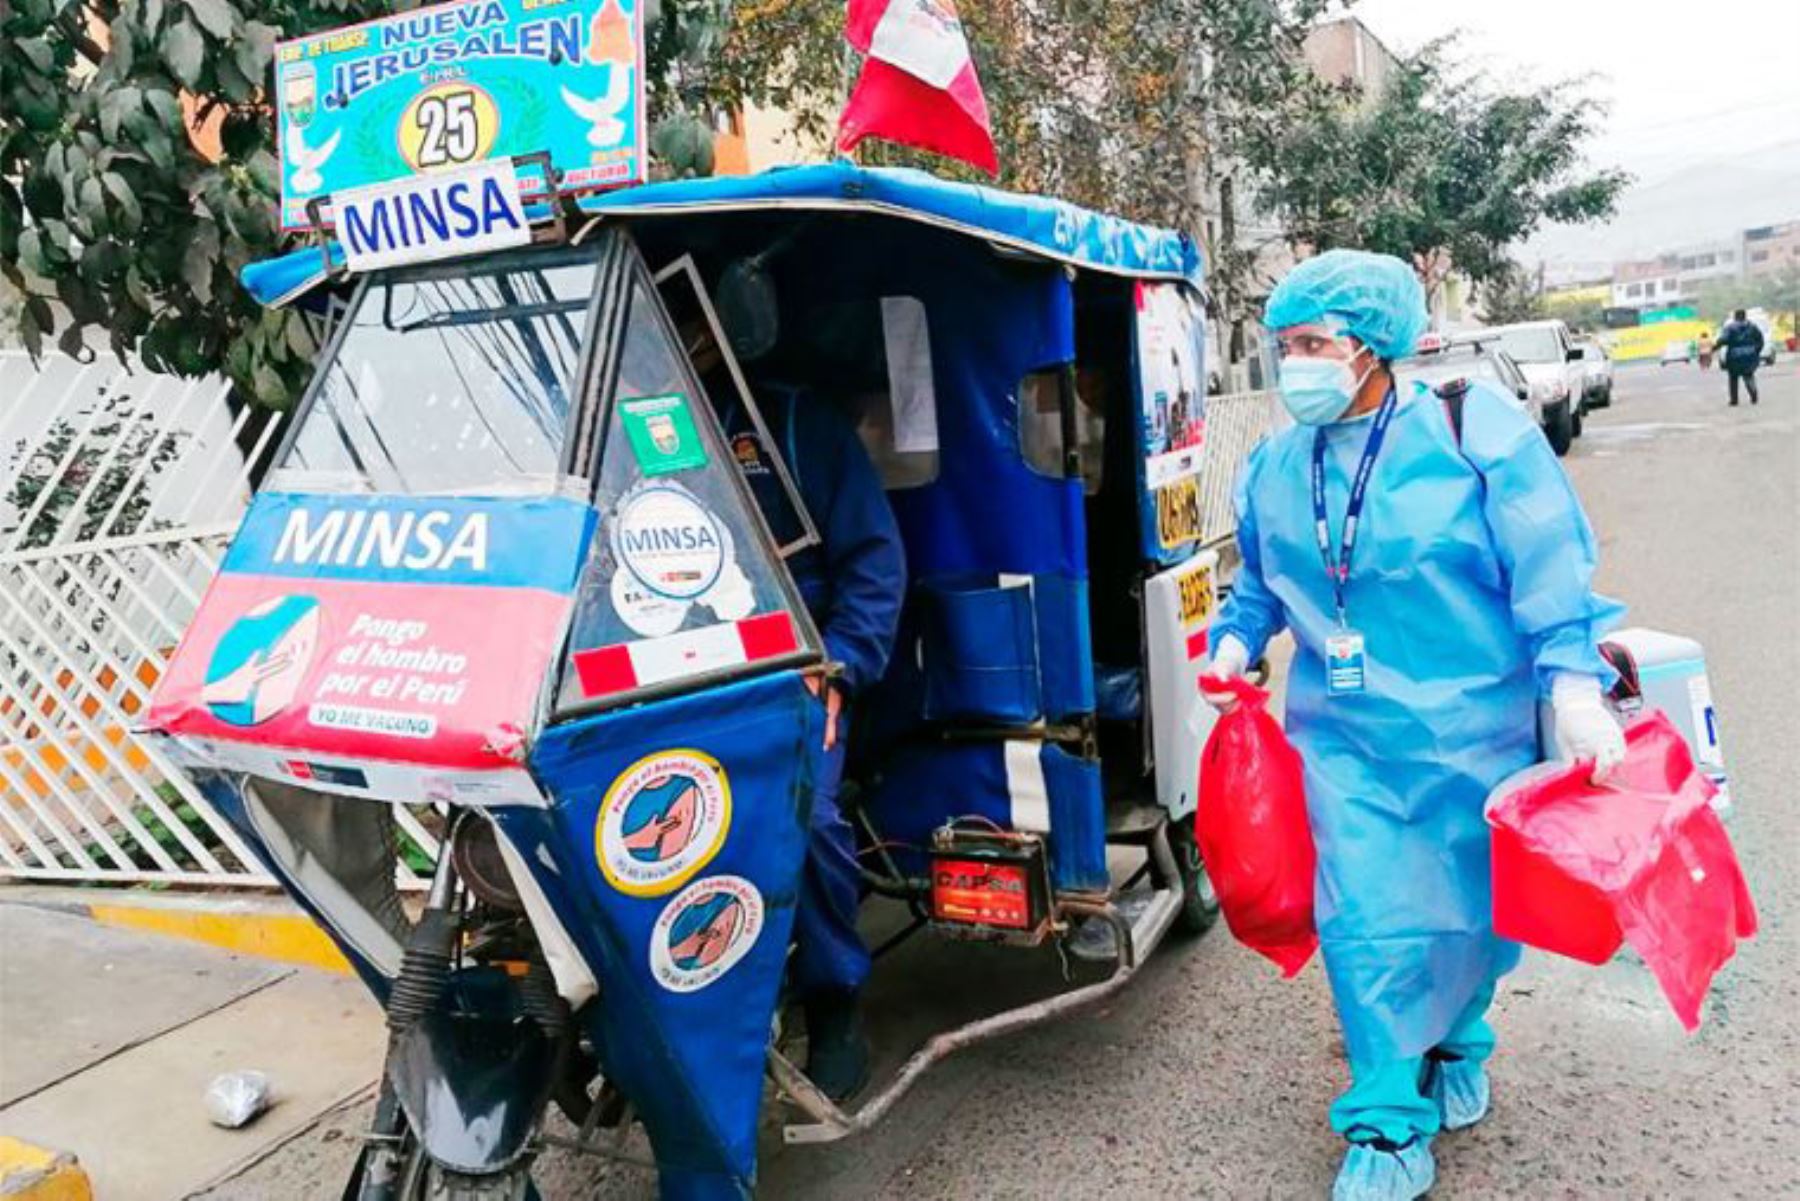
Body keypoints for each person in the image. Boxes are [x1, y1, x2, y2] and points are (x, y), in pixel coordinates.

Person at [1201, 250, 1626, 1201]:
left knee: (1471, 912)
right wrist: (1236, 640)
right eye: (1284, 344)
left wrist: (1571, 682)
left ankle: (1462, 1035)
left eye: (1313, 343)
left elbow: (1550, 563)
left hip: (1480, 734)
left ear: (1373, 345)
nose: (1292, 362)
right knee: (1368, 922)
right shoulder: (1277, 462)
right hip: (1344, 745)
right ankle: (1389, 1118)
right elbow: (1260, 583)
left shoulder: (1474, 433)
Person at [712, 273, 907, 1103]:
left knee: (810, 818)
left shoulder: (796, 424)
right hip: (686, 677)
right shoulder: (634, 431)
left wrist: (841, 663)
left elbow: (874, 560)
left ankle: (834, 994)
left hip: (802, 673)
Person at [1715, 309, 1765, 405]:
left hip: (1734, 357)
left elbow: (1723, 340)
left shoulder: (1730, 328)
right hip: (1750, 355)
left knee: (1733, 378)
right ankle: (1753, 393)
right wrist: (1756, 350)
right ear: (1745, 316)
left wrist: (1715, 347)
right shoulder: (1752, 327)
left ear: (1735, 317)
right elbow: (1760, 340)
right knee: (1748, 375)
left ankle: (1734, 400)